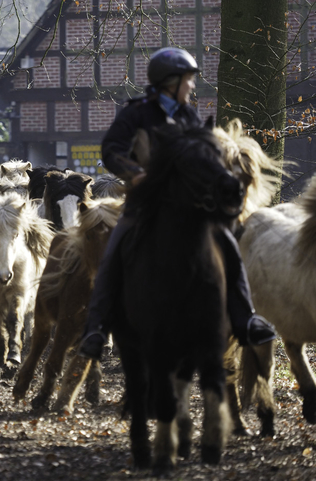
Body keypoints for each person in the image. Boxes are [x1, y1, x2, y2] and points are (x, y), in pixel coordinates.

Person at [78, 47, 277, 360]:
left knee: (226, 243)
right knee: (114, 252)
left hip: (188, 205)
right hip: (145, 204)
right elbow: (111, 149)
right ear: (169, 82)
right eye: (188, 80)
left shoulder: (188, 115)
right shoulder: (136, 113)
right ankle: (96, 328)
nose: (192, 86)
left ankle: (245, 319)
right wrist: (135, 173)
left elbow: (202, 154)